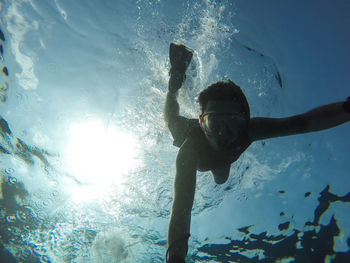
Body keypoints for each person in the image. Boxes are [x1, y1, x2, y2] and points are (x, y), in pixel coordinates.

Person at [164, 43, 350, 263]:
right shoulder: (189, 151)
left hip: (221, 158)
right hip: (188, 134)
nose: (223, 133)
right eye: (214, 122)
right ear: (202, 122)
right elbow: (181, 208)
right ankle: (175, 82)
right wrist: (175, 257)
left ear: (245, 122)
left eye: (232, 123)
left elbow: (303, 122)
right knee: (170, 114)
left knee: (221, 179)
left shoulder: (251, 130)